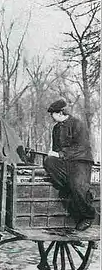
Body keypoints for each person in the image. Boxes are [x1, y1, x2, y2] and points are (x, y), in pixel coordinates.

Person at [43, 99, 96, 231]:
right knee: (49, 162)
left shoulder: (77, 124)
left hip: (80, 162)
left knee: (77, 186)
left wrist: (60, 154)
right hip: (65, 163)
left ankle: (88, 215)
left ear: (60, 113)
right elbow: (55, 149)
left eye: (52, 114)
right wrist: (54, 156)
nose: (51, 117)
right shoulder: (56, 129)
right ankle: (68, 189)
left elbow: (81, 147)